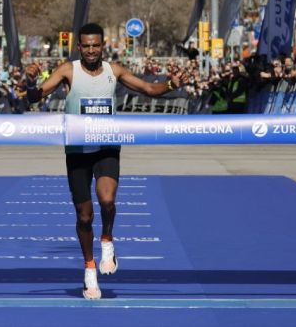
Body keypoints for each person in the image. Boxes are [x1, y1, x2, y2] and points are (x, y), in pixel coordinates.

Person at [24, 23, 187, 300]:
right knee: (84, 215)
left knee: (107, 200)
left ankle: (107, 239)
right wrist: (29, 82)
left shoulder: (115, 70)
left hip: (107, 145)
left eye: (95, 45)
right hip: (77, 150)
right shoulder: (67, 70)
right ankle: (89, 270)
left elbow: (148, 88)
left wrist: (172, 84)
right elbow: (35, 96)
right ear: (79, 47)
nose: (90, 50)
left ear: (102, 46)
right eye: (86, 46)